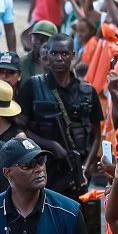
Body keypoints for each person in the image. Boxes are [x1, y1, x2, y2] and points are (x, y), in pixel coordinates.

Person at [17, 33, 103, 199]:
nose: (59, 58)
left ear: (73, 55)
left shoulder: (87, 91)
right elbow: (20, 129)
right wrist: (50, 145)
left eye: (64, 53)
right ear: (47, 55)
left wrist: (84, 168)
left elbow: (95, 136)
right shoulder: (32, 87)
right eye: (54, 53)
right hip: (41, 170)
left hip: (77, 173)